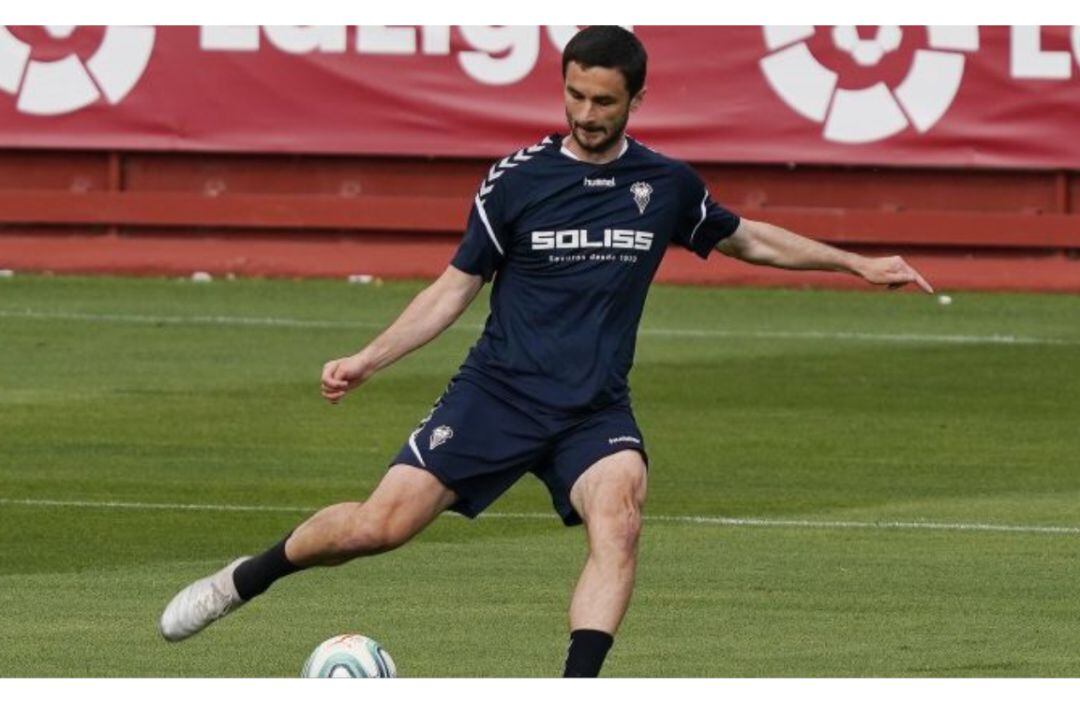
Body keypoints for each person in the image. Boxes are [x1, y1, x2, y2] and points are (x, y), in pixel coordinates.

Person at [158, 26, 932, 677]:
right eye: (575, 96)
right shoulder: (517, 183)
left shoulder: (663, 184)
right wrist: (368, 358)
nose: (586, 114)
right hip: (498, 394)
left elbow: (747, 238)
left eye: (603, 100)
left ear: (635, 99)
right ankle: (244, 579)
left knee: (620, 517)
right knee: (375, 530)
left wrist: (856, 263)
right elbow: (452, 289)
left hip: (592, 407)